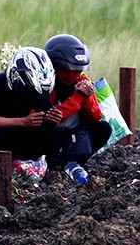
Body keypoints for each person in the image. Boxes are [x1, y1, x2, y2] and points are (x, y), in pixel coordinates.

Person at [0, 47, 59, 168]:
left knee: (54, 135)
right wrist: (24, 121)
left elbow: (43, 122)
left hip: (11, 135)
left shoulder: (38, 91)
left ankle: (25, 165)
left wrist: (51, 120)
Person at [43, 33, 112, 184]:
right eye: (68, 71)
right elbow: (53, 118)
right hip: (53, 133)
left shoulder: (82, 80)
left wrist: (87, 97)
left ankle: (76, 163)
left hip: (76, 133)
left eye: (77, 71)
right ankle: (55, 165)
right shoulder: (47, 85)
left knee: (103, 128)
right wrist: (78, 97)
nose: (73, 75)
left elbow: (95, 116)